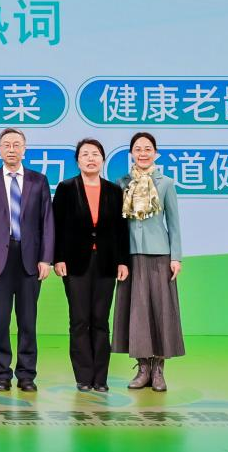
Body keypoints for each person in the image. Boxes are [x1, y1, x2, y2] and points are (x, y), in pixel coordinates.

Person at [0, 128, 54, 392]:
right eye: (6, 145)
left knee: (27, 321)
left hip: (29, 259)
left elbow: (47, 222)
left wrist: (46, 258)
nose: (11, 149)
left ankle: (26, 375)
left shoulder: (38, 181)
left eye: (16, 144)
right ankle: (2, 374)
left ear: (24, 149)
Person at [52, 139, 130, 392]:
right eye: (85, 154)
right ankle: (84, 377)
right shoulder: (66, 188)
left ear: (102, 159)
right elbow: (56, 226)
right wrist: (58, 258)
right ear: (78, 161)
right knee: (79, 320)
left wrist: (123, 261)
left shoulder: (114, 191)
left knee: (100, 320)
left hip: (106, 262)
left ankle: (101, 378)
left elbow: (121, 230)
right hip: (75, 263)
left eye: (95, 154)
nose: (90, 158)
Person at [113, 132, 185, 392]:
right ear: (131, 153)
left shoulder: (166, 183)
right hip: (130, 256)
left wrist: (175, 257)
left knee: (161, 311)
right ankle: (143, 368)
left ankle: (158, 370)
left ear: (155, 153)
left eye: (147, 149)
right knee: (136, 313)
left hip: (159, 255)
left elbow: (174, 223)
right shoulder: (122, 183)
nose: (142, 153)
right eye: (138, 149)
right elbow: (117, 225)